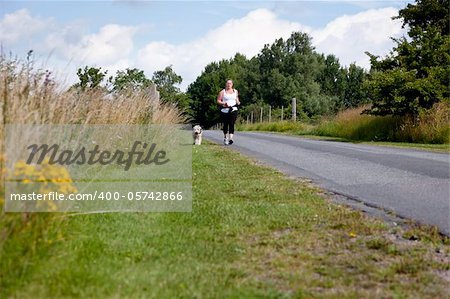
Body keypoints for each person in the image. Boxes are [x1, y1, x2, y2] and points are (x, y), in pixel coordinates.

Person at [217, 79, 240, 145]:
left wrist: (238, 102)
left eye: (230, 83)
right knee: (225, 124)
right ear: (226, 84)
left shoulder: (235, 91)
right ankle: (225, 138)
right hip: (225, 110)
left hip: (233, 109)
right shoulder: (222, 92)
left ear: (232, 84)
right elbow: (218, 100)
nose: (229, 85)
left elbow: (236, 98)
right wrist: (223, 103)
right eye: (227, 83)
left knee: (232, 123)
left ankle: (231, 138)